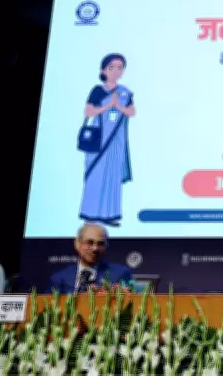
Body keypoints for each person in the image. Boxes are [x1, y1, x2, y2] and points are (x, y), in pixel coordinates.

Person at [79, 53, 136, 227]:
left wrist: (118, 105)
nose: (116, 71)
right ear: (104, 70)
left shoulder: (124, 92)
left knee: (113, 177)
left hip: (116, 141)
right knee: (96, 175)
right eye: (112, 67)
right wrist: (108, 106)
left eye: (120, 67)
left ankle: (109, 214)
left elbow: (131, 112)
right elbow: (88, 111)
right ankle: (90, 213)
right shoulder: (98, 90)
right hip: (99, 140)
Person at [48, 223, 133, 293]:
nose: (95, 248)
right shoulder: (59, 278)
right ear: (77, 244)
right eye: (89, 242)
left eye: (100, 243)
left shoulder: (120, 274)